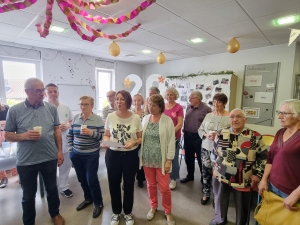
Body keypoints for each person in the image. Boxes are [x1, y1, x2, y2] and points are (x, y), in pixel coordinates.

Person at [4, 78, 65, 225]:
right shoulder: (15, 110)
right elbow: (7, 135)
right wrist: (24, 136)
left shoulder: (50, 108)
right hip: (26, 161)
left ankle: (55, 214)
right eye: (38, 91)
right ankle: (29, 221)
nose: (43, 94)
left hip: (49, 157)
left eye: (43, 90)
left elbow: (57, 130)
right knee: (28, 195)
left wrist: (60, 151)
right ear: (27, 91)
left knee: (52, 189)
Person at [210, 109, 268, 225]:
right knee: (220, 200)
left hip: (243, 177)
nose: (235, 119)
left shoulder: (255, 137)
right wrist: (215, 169)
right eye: (232, 117)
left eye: (239, 116)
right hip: (222, 174)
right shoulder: (221, 133)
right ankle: (219, 220)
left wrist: (258, 174)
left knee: (242, 206)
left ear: (245, 119)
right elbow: (214, 152)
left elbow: (264, 158)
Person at [102, 90, 142, 225]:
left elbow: (140, 138)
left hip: (130, 155)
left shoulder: (135, 117)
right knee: (113, 184)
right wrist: (106, 141)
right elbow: (107, 134)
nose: (118, 102)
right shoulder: (111, 116)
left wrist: (134, 142)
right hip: (113, 154)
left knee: (129, 185)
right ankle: (116, 212)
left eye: (122, 99)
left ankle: (128, 212)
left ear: (128, 101)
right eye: (117, 99)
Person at [259, 99, 300, 211]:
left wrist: (296, 194)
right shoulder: (280, 132)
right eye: (279, 112)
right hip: (272, 187)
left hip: (292, 193)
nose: (279, 116)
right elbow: (270, 158)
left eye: (284, 113)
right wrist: (264, 179)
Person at [140, 94, 176, 225]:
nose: (150, 107)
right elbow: (140, 137)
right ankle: (153, 206)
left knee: (165, 188)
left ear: (160, 107)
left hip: (161, 161)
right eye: (149, 104)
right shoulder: (145, 119)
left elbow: (171, 141)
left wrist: (169, 160)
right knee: (150, 185)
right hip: (147, 159)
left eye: (154, 105)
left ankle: (168, 212)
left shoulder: (167, 121)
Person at [67, 96, 104, 218]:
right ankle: (88, 199)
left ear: (92, 106)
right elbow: (70, 135)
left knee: (91, 180)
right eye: (81, 104)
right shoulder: (76, 118)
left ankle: (98, 203)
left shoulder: (98, 120)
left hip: (91, 155)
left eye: (86, 104)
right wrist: (71, 151)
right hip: (76, 155)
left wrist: (91, 133)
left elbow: (104, 137)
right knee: (82, 179)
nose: (83, 107)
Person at [198, 93, 230, 205]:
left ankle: (218, 196)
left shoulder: (229, 117)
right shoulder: (208, 115)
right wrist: (206, 135)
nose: (216, 104)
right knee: (205, 172)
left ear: (225, 103)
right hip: (206, 148)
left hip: (221, 151)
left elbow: (232, 134)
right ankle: (206, 193)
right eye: (214, 102)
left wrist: (218, 135)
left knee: (220, 174)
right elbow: (200, 129)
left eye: (219, 102)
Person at [45, 83, 73, 198]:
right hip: (49, 143)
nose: (53, 94)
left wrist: (67, 126)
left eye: (55, 91)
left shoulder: (65, 107)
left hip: (65, 141)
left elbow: (71, 120)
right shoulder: (43, 108)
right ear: (46, 94)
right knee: (50, 167)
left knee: (65, 165)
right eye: (50, 92)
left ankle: (64, 187)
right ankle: (51, 188)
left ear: (58, 93)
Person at [181, 91, 211, 185]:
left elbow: (209, 124)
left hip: (199, 137)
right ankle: (190, 175)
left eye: (191, 98)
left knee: (200, 158)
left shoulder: (206, 109)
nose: (189, 100)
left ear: (197, 99)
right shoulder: (189, 107)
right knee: (188, 157)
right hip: (187, 135)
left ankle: (203, 178)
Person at [163, 87, 183, 190]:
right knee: (163, 157)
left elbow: (179, 124)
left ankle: (173, 178)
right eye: (167, 94)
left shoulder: (179, 107)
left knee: (173, 158)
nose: (169, 96)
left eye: (171, 94)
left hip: (174, 137)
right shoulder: (162, 106)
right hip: (162, 137)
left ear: (175, 96)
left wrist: (169, 134)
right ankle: (164, 176)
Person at [132, 94, 146, 188]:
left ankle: (140, 179)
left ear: (142, 102)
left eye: (139, 100)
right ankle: (129, 179)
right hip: (131, 139)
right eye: (135, 100)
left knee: (140, 159)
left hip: (142, 139)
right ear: (133, 102)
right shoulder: (130, 113)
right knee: (131, 161)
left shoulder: (146, 113)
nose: (137, 102)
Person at [0, 101, 14, 189]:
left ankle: (19, 175)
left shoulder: (7, 109)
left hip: (8, 132)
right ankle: (3, 178)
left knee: (13, 153)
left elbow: (12, 121)